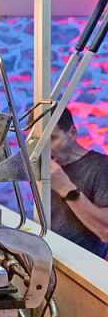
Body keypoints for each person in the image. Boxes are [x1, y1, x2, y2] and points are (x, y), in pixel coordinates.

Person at [50, 106, 108, 257]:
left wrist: (66, 188)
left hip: (83, 269)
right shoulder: (44, 164)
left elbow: (105, 231)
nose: (46, 148)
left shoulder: (101, 167)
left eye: (52, 138)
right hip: (52, 260)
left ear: (72, 133)